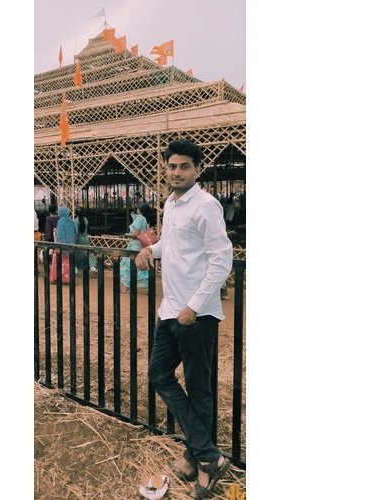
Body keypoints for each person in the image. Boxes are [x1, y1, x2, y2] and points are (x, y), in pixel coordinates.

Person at [134, 139, 233, 499]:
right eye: (172, 166)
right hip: (170, 310)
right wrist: (150, 249)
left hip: (196, 315)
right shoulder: (172, 204)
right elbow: (172, 245)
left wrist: (194, 305)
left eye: (184, 166)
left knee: (199, 389)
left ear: (197, 169)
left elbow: (221, 259)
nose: (176, 172)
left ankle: (200, 463)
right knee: (159, 374)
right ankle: (206, 453)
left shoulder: (206, 206)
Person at [119, 202, 151, 294]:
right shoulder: (145, 219)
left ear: (139, 209)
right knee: (137, 265)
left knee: (127, 265)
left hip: (134, 244)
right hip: (139, 245)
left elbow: (136, 234)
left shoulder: (139, 219)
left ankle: (126, 287)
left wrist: (126, 234)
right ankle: (143, 287)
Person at [73, 207, 97, 275]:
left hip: (78, 239)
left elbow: (76, 232)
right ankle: (93, 268)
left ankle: (75, 269)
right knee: (88, 254)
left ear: (76, 213)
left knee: (77, 254)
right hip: (86, 238)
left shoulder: (75, 221)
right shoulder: (86, 219)